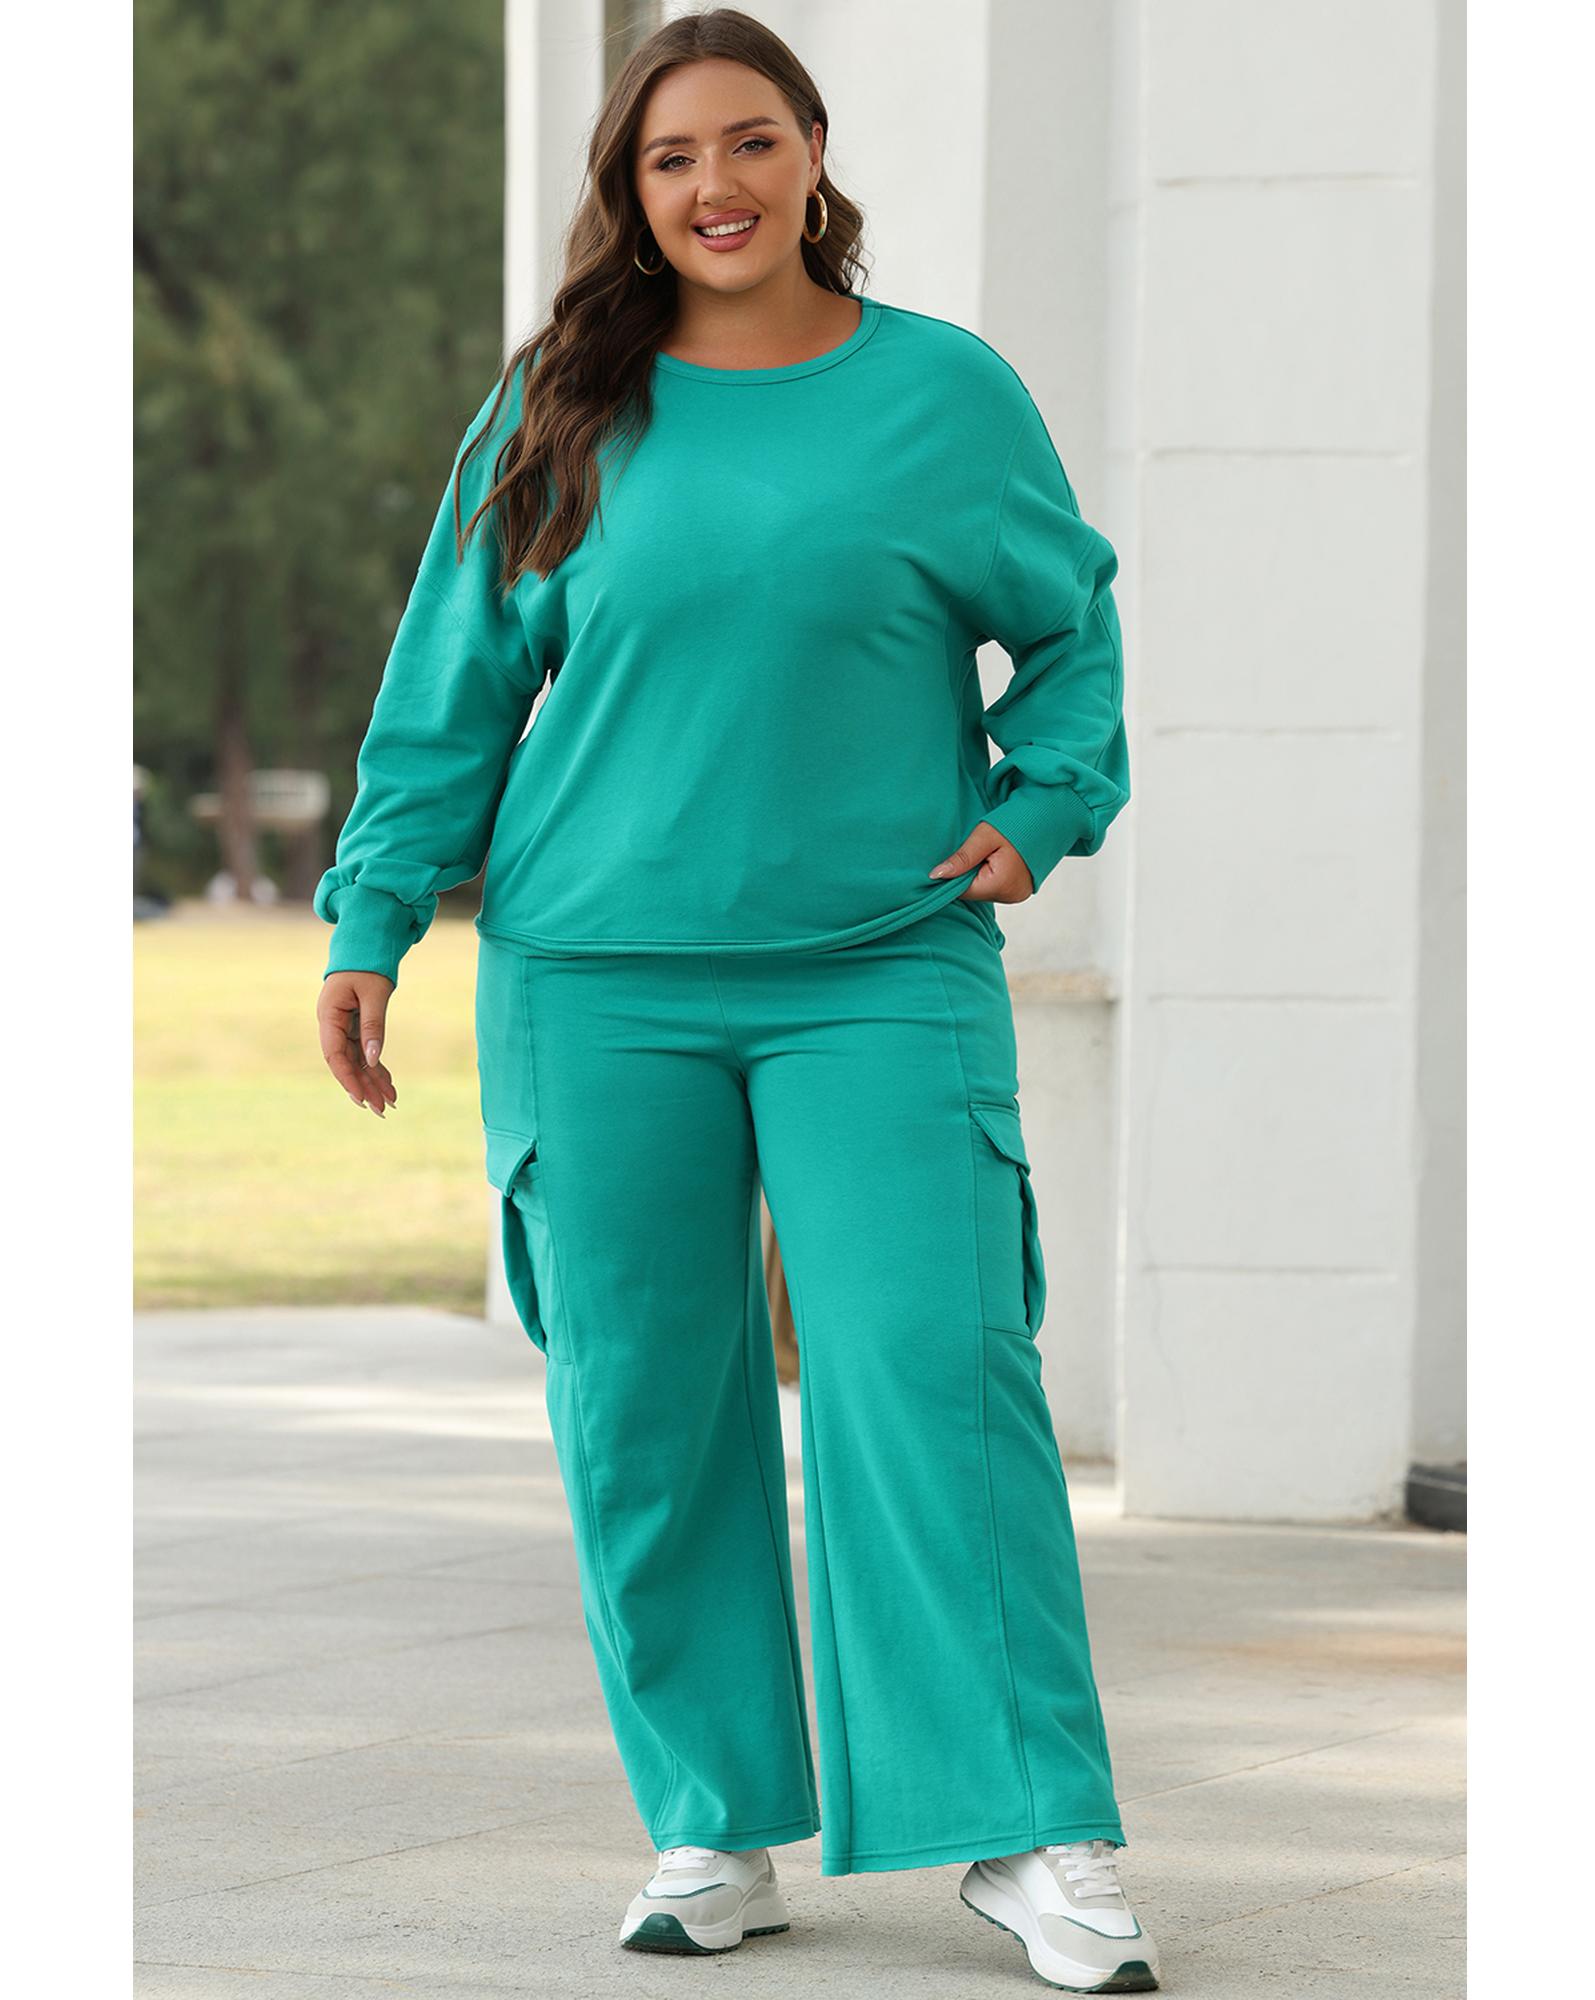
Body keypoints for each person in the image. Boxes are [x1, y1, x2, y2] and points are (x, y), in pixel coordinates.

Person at [313, 10, 1157, 1992]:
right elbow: (451, 688)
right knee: (642, 1406)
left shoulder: (941, 396)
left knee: (937, 1384)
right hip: (594, 983)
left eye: (751, 141)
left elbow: (1070, 630)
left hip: (881, 968)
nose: (717, 185)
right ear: (630, 189)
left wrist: (1046, 802)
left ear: (811, 153)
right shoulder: (560, 407)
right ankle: (712, 1819)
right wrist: (369, 917)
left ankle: (1029, 1831)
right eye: (673, 155)